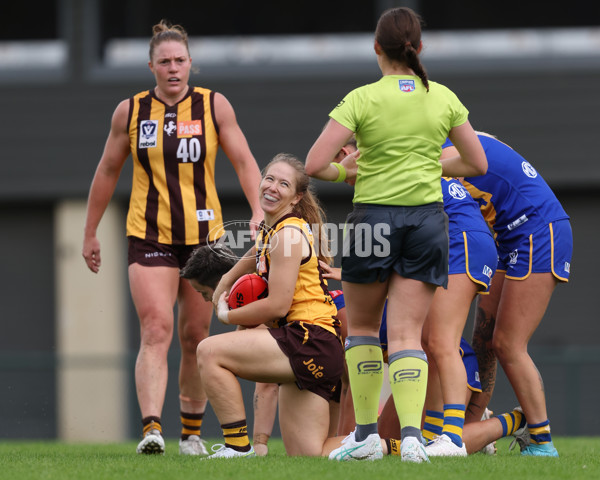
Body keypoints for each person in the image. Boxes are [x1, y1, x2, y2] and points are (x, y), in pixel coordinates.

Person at [305, 6, 487, 463]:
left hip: (374, 221)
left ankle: (366, 436)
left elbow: (313, 165)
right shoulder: (443, 97)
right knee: (408, 335)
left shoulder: (362, 98)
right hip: (427, 222)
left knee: (364, 329)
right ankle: (411, 441)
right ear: (419, 48)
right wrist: (430, 163)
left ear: (375, 47)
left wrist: (342, 170)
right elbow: (477, 164)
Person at [81, 20, 263, 455]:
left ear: (190, 63)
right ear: (151, 66)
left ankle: (192, 434)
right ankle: (151, 430)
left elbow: (244, 161)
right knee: (156, 327)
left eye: (180, 60)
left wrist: (260, 211)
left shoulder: (215, 106)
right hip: (149, 234)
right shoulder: (129, 112)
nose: (173, 68)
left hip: (206, 239)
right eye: (164, 61)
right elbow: (107, 170)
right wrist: (89, 231)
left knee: (195, 335)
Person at [196, 153, 345, 458]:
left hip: (308, 339)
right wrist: (226, 279)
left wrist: (227, 315)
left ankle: (237, 447)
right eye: (270, 178)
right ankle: (384, 445)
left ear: (296, 197)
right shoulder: (274, 229)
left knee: (208, 351)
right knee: (309, 454)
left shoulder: (287, 235)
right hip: (314, 344)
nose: (273, 187)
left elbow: (277, 306)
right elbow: (258, 248)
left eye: (284, 184)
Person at [441, 132, 573, 457]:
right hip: (508, 236)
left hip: (538, 231)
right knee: (484, 340)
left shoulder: (440, 154)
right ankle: (472, 426)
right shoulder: (454, 142)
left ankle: (541, 440)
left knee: (507, 344)